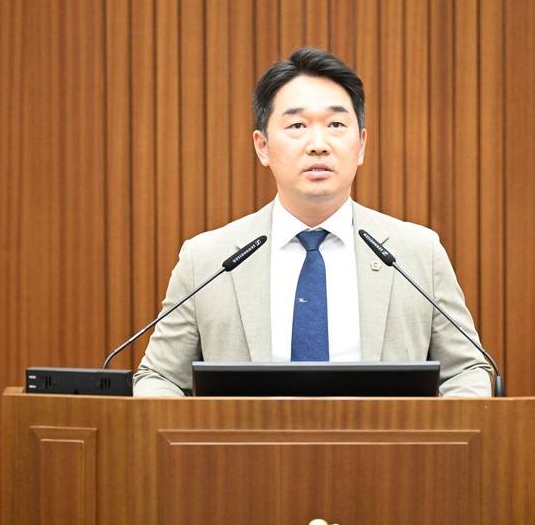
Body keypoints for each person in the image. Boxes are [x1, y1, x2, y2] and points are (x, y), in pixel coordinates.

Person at [133, 47, 493, 397]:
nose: (318, 144)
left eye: (336, 124)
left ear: (361, 145)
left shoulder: (418, 253)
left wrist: (438, 432)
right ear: (262, 146)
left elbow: (467, 370)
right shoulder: (206, 260)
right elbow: (159, 377)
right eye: (297, 125)